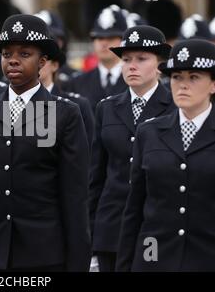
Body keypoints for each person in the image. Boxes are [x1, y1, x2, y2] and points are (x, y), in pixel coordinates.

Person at [0, 14, 91, 271]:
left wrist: (77, 263)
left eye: (24, 53)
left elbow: (74, 197)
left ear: (43, 61)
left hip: (43, 255)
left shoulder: (66, 113)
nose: (13, 60)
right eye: (7, 54)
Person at [117, 39, 215, 271]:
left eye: (194, 77)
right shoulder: (149, 132)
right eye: (177, 77)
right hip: (154, 260)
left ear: (213, 84)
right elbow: (135, 208)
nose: (183, 85)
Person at [89, 25, 176, 272]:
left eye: (141, 58)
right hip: (111, 228)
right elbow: (96, 178)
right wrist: (90, 236)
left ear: (159, 64)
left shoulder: (173, 107)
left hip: (155, 226)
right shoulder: (106, 108)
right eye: (126, 60)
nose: (131, 66)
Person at [68, 5, 128, 112]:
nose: (104, 43)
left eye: (111, 37)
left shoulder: (134, 79)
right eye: (99, 38)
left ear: (123, 41)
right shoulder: (77, 83)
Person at [38, 38, 94, 149]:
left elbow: (87, 153)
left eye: (42, 60)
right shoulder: (10, 102)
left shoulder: (78, 105)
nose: (34, 64)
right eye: (26, 56)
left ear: (54, 65)